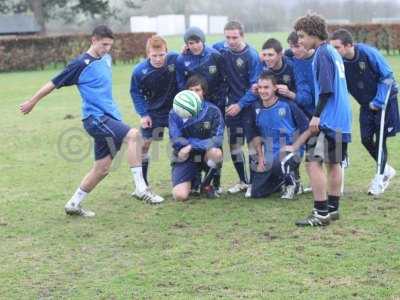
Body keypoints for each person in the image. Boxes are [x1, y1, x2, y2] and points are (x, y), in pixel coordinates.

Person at [19, 25, 164, 217]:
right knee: (134, 136)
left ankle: (73, 203)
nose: (107, 49)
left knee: (102, 169)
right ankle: (141, 188)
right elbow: (53, 83)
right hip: (95, 118)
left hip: (109, 118)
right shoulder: (80, 64)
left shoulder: (107, 59)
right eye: (103, 44)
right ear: (93, 40)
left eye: (110, 45)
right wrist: (32, 101)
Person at [293, 13, 352, 226]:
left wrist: (316, 115)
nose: (299, 40)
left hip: (329, 118)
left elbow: (326, 90)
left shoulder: (322, 54)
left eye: (301, 36)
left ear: (314, 34)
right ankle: (333, 209)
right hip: (342, 119)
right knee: (334, 163)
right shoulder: (334, 53)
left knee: (312, 163)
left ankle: (320, 213)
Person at [330, 28, 400, 195]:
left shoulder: (369, 53)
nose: (334, 51)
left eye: (337, 47)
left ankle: (380, 178)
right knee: (366, 140)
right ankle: (387, 169)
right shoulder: (340, 62)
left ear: (348, 45)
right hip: (366, 104)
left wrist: (379, 100)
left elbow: (388, 76)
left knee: (380, 139)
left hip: (384, 102)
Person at [175, 27, 226, 193]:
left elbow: (223, 81)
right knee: (194, 136)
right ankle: (195, 180)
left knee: (215, 143)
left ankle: (214, 183)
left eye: (197, 42)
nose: (195, 46)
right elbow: (180, 83)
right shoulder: (182, 59)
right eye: (190, 43)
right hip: (192, 107)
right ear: (186, 44)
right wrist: (187, 102)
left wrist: (218, 103)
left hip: (215, 106)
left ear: (203, 41)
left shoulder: (215, 55)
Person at [213, 21, 261, 195]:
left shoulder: (252, 56)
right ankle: (243, 181)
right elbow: (204, 50)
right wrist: (186, 49)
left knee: (253, 145)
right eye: (228, 37)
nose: (231, 41)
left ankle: (254, 183)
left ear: (243, 36)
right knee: (235, 144)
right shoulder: (221, 48)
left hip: (247, 105)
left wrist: (240, 105)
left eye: (235, 37)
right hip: (230, 106)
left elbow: (255, 88)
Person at [247, 73, 309, 198]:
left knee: (279, 164)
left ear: (275, 88)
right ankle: (281, 182)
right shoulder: (255, 108)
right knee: (257, 193)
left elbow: (308, 128)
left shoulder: (287, 105)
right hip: (270, 153)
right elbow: (255, 135)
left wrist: (294, 147)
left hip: (290, 151)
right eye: (260, 87)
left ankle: (293, 184)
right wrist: (260, 157)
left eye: (266, 87)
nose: (262, 91)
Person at [130, 35, 178, 186]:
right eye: (154, 55)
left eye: (162, 55)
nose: (158, 59)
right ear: (148, 54)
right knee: (144, 145)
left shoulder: (175, 60)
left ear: (167, 52)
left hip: (174, 112)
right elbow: (135, 93)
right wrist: (143, 114)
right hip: (152, 113)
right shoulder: (139, 71)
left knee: (178, 144)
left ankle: (179, 180)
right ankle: (142, 183)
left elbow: (188, 58)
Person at [169, 75, 224, 201]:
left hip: (205, 154)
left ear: (203, 92)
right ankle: (194, 181)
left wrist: (191, 145)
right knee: (180, 196)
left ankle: (207, 185)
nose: (194, 93)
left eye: (197, 90)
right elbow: (175, 139)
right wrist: (184, 148)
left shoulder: (213, 111)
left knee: (216, 152)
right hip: (185, 156)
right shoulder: (175, 111)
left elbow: (217, 139)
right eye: (191, 90)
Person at [286, 31, 316, 119]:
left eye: (297, 46)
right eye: (291, 47)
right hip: (308, 114)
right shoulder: (294, 59)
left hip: (326, 113)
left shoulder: (320, 58)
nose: (294, 51)